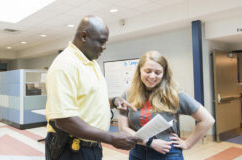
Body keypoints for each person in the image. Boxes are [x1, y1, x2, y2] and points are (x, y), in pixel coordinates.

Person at [45, 15, 141, 160]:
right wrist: (112, 138)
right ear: (84, 36)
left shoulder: (91, 62)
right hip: (71, 150)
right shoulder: (64, 65)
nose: (104, 47)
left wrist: (114, 101)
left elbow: (89, 100)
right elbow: (64, 120)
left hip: (91, 146)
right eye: (101, 41)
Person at [118, 50, 215, 160]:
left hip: (167, 153)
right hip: (137, 152)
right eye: (148, 71)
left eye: (158, 72)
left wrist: (187, 143)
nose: (152, 76)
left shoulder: (174, 94)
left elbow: (207, 120)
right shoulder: (128, 94)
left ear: (164, 73)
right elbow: (124, 129)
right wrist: (150, 142)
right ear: (140, 71)